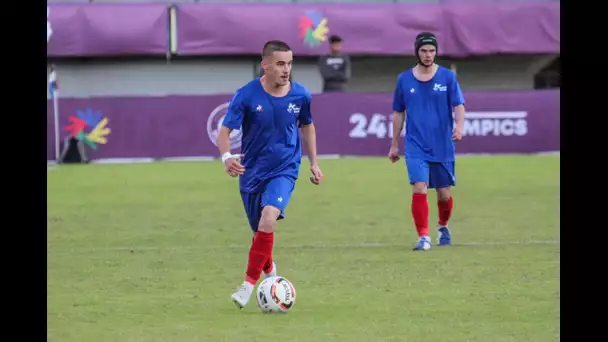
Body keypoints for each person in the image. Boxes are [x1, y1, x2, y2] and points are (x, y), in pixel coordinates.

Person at [217, 40, 324, 308]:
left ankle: (247, 286)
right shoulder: (246, 95)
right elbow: (224, 131)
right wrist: (226, 157)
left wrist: (313, 162)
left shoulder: (301, 95)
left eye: (289, 63)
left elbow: (308, 127)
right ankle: (270, 272)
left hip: (285, 168)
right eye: (280, 63)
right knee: (259, 233)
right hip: (252, 172)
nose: (286, 69)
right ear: (265, 65)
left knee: (268, 219)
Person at [388, 32, 466, 251]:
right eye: (424, 50)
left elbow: (458, 105)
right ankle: (424, 236)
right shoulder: (404, 79)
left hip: (442, 144)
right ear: (417, 52)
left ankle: (442, 226)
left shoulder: (447, 77)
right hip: (415, 145)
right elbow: (398, 112)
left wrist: (459, 126)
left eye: (432, 50)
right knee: (419, 188)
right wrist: (394, 143)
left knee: (444, 193)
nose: (428, 54)